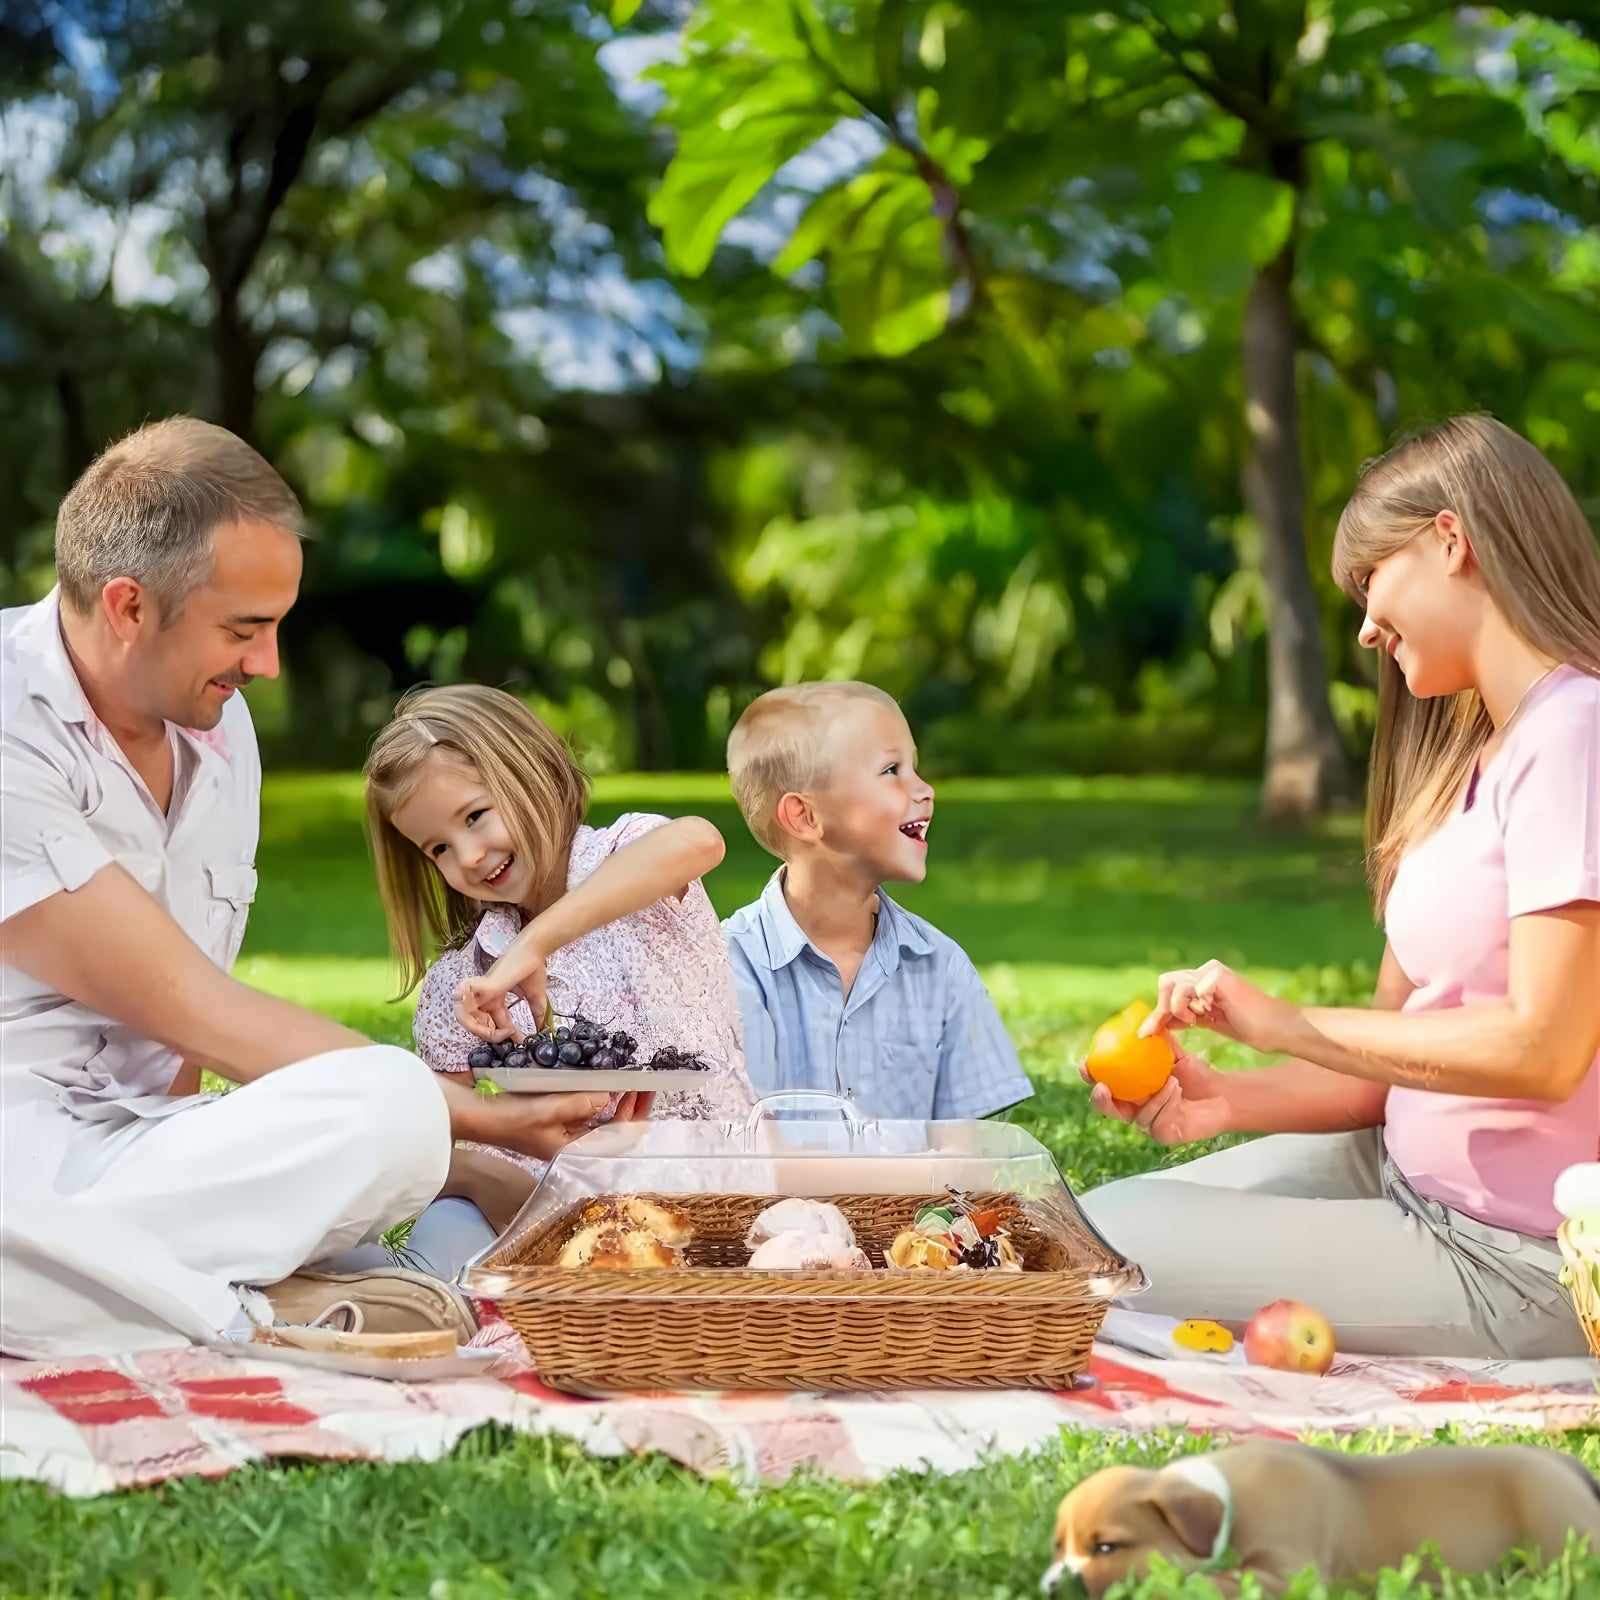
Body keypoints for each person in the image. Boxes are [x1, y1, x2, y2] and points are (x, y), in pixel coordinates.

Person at [0, 418, 621, 1358]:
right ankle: (251, 1309)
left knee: (378, 1112)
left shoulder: (218, 731)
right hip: (17, 1156)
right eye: (244, 629)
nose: (267, 665)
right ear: (129, 607)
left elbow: (178, 1048)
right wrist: (487, 1121)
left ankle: (197, 1278)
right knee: (404, 1103)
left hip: (136, 1153)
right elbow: (196, 1007)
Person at [1081, 415, 1600, 1359]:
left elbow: (1546, 1049)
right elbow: (1388, 1067)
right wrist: (1227, 1097)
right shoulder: (1478, 758)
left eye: (1371, 582)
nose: (1365, 627)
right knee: (1078, 1224)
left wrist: (1282, 1019)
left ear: (1451, 540)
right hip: (1395, 1170)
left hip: (1512, 1257)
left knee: (1078, 1260)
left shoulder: (1578, 733)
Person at [356, 684, 755, 1273]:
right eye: (439, 846)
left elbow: (700, 840)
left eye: (475, 816)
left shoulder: (630, 863)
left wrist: (535, 943)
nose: (467, 856)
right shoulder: (464, 980)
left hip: (711, 1185)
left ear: (530, 773)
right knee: (441, 1260)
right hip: (537, 1211)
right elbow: (437, 1137)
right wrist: (508, 1177)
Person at [722, 681, 1032, 1121]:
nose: (925, 790)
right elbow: (753, 1157)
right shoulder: (730, 966)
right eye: (892, 771)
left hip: (918, 1195)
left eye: (914, 768)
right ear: (804, 816)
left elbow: (967, 1159)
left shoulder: (940, 965)